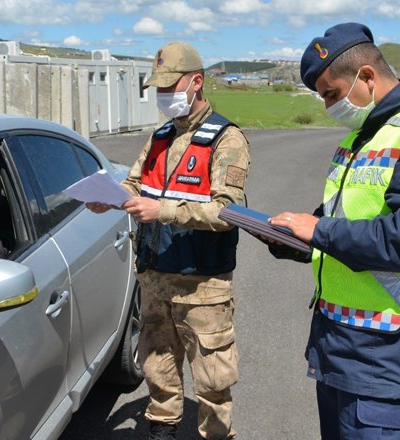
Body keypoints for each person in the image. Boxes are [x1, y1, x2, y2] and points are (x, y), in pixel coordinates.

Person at [263, 22, 400, 439]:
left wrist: (319, 231)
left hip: (388, 357)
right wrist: (291, 238)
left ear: (366, 77)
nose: (328, 106)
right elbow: (340, 221)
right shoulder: (364, 137)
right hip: (340, 348)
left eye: (330, 94)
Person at [86, 41, 250, 440]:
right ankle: (163, 427)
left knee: (212, 378)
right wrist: (110, 198)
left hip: (202, 285)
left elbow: (228, 212)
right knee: (156, 363)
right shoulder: (159, 136)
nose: (163, 96)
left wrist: (164, 211)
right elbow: (135, 182)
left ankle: (216, 435)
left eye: (168, 86)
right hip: (155, 278)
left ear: (196, 82)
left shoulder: (226, 140)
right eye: (157, 88)